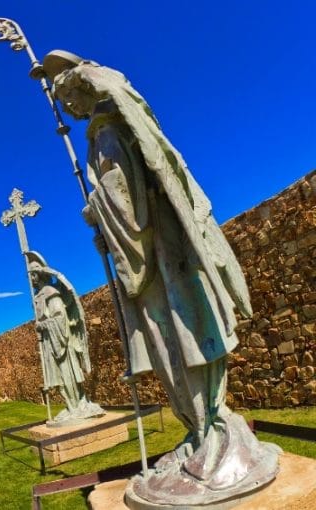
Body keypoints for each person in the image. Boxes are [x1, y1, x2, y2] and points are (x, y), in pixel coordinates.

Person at [43, 51, 280, 505]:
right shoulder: (110, 131)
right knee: (175, 347)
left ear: (81, 93)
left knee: (182, 343)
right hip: (160, 263)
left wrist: (98, 213)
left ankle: (212, 435)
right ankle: (201, 432)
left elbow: (129, 208)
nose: (65, 108)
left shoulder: (107, 132)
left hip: (160, 264)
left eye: (66, 97)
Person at [27, 251, 103, 424]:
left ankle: (77, 406)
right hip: (49, 343)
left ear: (40, 274)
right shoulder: (39, 296)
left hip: (60, 342)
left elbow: (60, 317)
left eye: (32, 274)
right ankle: (70, 407)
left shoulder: (50, 292)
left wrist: (43, 325)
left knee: (67, 375)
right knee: (58, 380)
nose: (30, 279)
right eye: (29, 276)